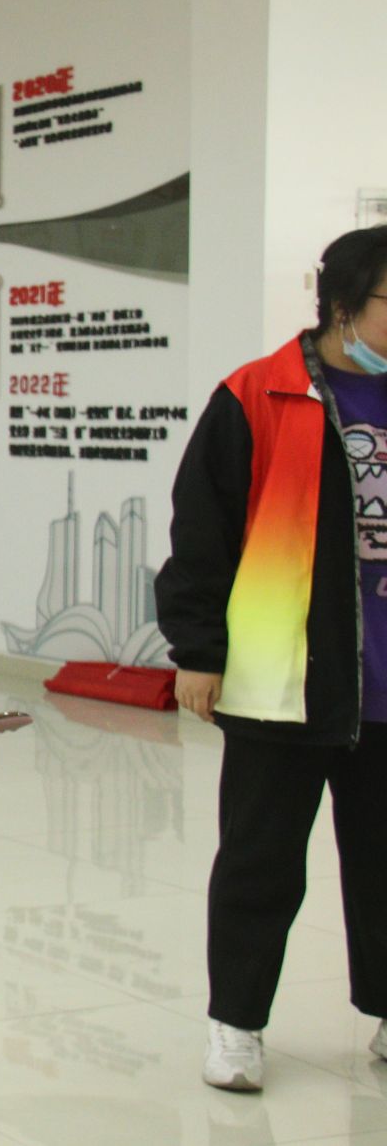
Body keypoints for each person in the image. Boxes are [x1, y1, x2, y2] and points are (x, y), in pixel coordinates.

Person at [158, 224, 387, 1093]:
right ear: (343, 305)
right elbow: (201, 532)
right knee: (261, 860)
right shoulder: (258, 393)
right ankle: (237, 1024)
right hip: (282, 676)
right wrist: (198, 650)